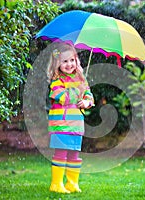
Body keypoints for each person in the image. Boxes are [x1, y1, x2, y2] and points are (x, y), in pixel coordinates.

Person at [46, 42, 94, 193]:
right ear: (57, 64)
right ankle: (56, 184)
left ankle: (72, 183)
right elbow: (63, 97)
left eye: (72, 60)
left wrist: (87, 101)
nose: (69, 64)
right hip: (61, 124)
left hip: (76, 125)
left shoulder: (80, 79)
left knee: (74, 154)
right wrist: (77, 90)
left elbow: (89, 96)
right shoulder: (56, 81)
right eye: (64, 61)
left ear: (76, 61)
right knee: (61, 153)